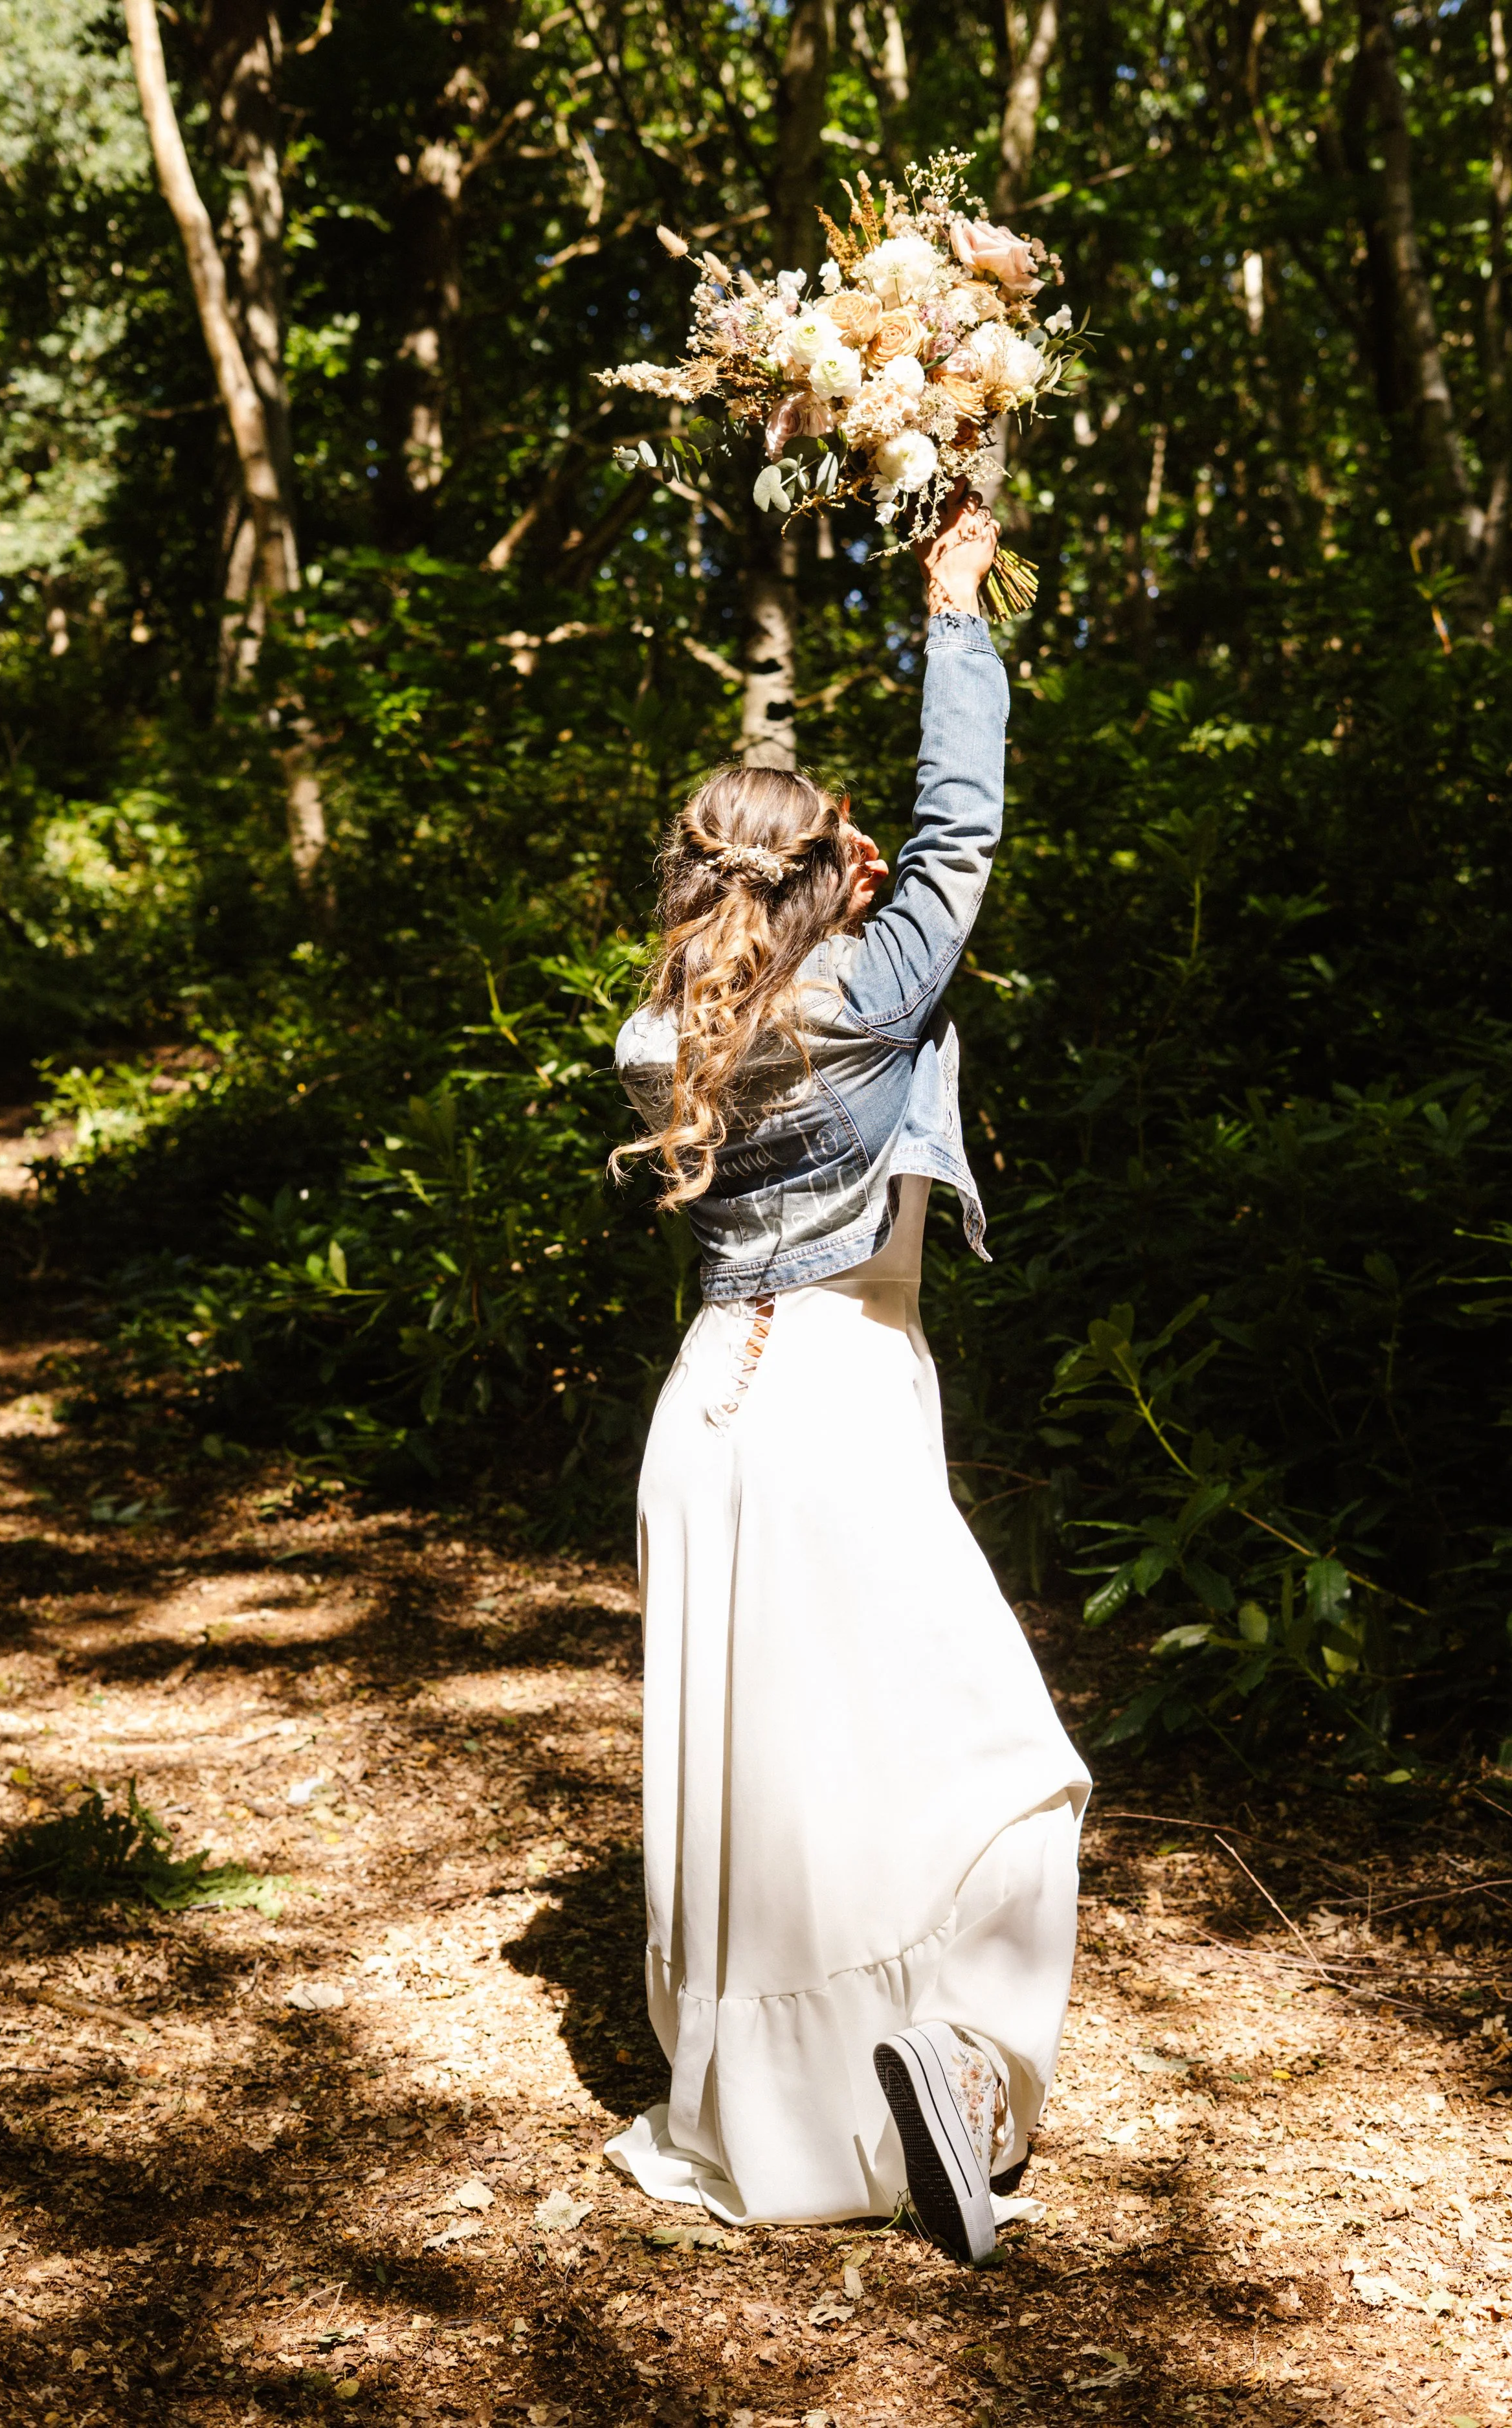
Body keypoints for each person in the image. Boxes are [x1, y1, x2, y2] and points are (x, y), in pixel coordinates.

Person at [605, 488, 1090, 2266]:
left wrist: (821, 882)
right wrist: (953, 604)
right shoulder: (860, 993)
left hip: (702, 1424)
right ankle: (948, 2081)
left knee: (775, 1793)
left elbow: (832, 902)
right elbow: (960, 827)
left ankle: (795, 2100)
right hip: (823, 1405)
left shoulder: (660, 1031)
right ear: (831, 872)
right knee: (989, 1758)